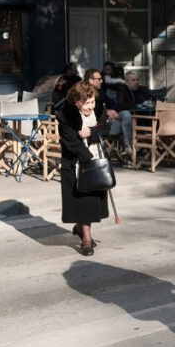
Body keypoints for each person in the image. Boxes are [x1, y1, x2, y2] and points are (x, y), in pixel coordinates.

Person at [57, 80, 109, 256]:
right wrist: (88, 158)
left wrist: (92, 131)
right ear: (77, 102)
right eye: (87, 103)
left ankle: (81, 228)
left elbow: (106, 127)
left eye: (92, 102)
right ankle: (86, 239)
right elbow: (70, 142)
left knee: (91, 201)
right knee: (82, 201)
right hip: (75, 163)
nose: (91, 106)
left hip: (96, 161)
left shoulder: (99, 108)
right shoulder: (66, 114)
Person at [116, 70, 155, 162]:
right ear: (126, 82)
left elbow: (153, 99)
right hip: (125, 114)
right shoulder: (122, 89)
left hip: (142, 116)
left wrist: (148, 103)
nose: (136, 82)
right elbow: (121, 105)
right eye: (133, 80)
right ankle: (128, 147)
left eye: (137, 80)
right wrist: (136, 106)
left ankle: (148, 145)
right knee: (126, 114)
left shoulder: (142, 89)